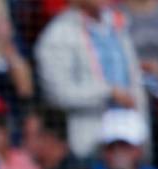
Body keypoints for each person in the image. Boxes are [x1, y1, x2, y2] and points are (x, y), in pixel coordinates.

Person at [35, 0, 147, 158]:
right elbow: (58, 93)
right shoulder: (59, 34)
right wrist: (108, 92)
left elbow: (134, 79)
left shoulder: (118, 27)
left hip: (131, 136)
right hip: (91, 143)